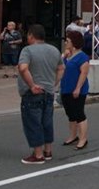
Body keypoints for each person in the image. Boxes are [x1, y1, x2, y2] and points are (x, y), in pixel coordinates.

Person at [17, 24, 64, 164]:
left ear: (31, 35)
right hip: (48, 91)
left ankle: (37, 155)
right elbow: (61, 68)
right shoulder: (54, 50)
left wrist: (31, 85)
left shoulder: (27, 50)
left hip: (32, 92)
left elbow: (23, 68)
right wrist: (54, 83)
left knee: (33, 123)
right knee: (46, 122)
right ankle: (47, 150)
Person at [60, 30, 90, 149]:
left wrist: (78, 88)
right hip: (66, 87)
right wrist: (63, 56)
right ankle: (73, 136)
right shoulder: (68, 55)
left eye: (68, 41)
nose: (66, 43)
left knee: (79, 113)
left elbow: (83, 74)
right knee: (70, 114)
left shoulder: (83, 57)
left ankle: (83, 138)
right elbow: (60, 67)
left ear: (74, 42)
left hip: (77, 89)